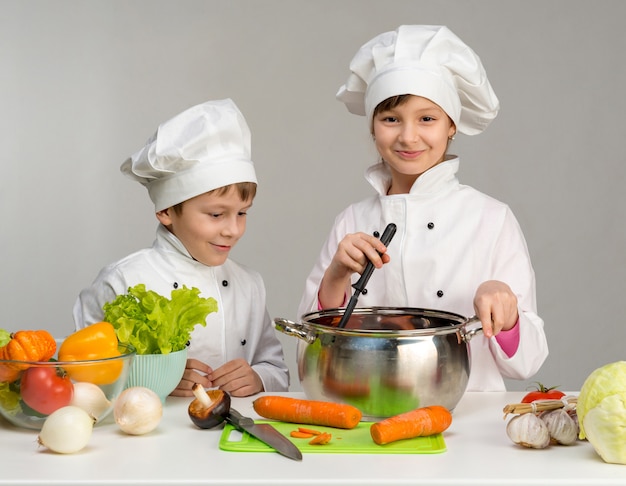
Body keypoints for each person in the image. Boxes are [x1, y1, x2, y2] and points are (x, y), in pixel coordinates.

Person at [298, 25, 548, 391]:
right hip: (367, 411)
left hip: (465, 419)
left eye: (427, 119)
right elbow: (310, 351)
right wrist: (336, 274)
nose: (408, 136)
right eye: (391, 119)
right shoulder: (352, 221)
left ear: (452, 126)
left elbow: (527, 362)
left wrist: (506, 311)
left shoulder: (491, 219)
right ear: (372, 126)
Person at [74, 99, 289, 397]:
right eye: (216, 214)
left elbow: (277, 368)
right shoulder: (122, 281)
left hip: (232, 437)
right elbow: (80, 376)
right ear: (166, 211)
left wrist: (259, 377)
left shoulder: (249, 285)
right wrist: (154, 379)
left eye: (242, 213)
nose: (233, 229)